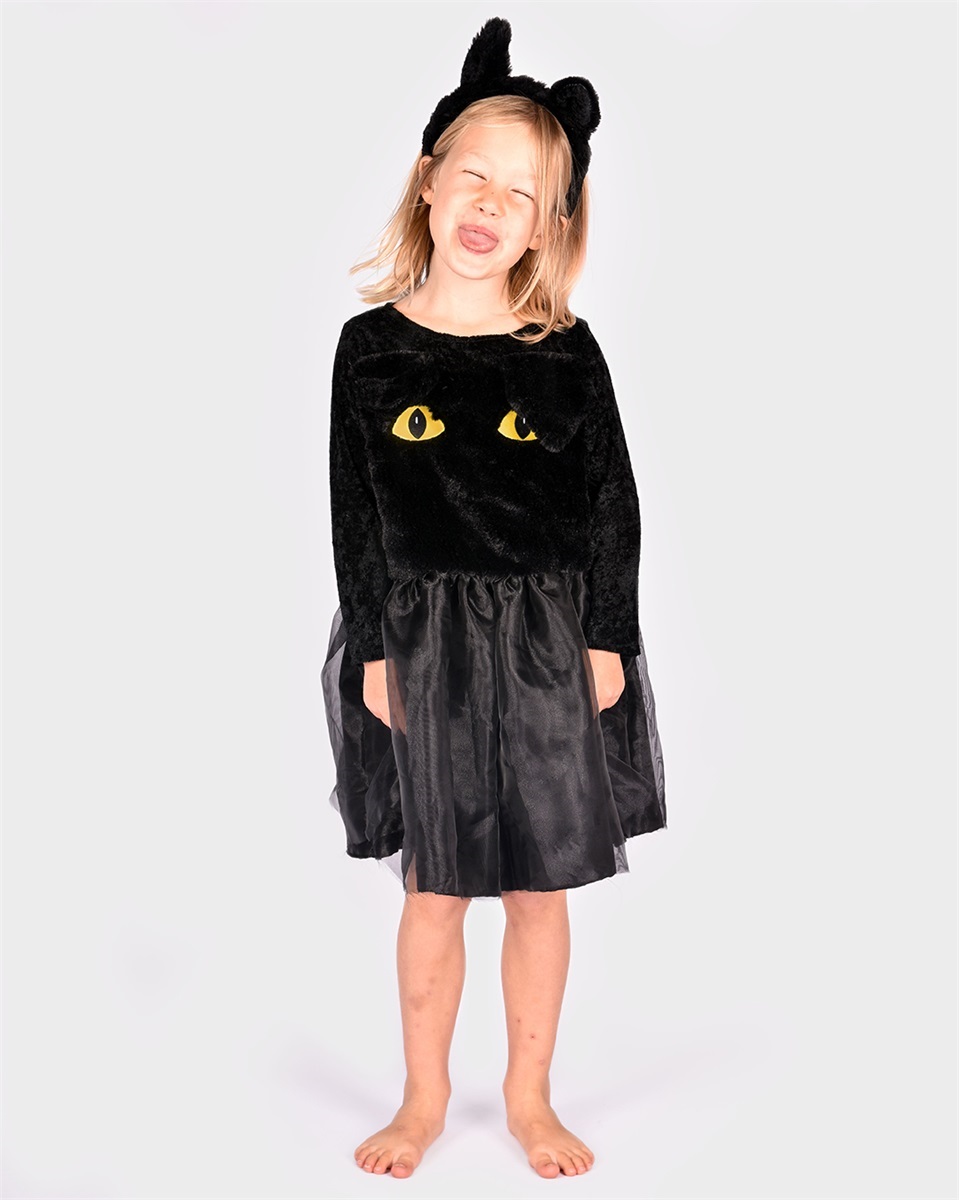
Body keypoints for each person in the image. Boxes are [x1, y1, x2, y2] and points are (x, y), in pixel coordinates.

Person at [320, 16, 667, 1180]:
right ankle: (422, 1097)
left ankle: (528, 1095)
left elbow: (610, 501)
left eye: (521, 194)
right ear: (428, 179)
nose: (489, 203)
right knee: (434, 889)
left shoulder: (563, 350)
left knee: (533, 885)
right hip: (421, 642)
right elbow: (354, 514)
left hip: (543, 641)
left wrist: (606, 637)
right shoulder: (369, 351)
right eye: (473, 174)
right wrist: (373, 651)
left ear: (548, 225)